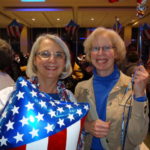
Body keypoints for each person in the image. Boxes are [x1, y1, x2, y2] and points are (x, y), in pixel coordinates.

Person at [0, 34, 89, 150]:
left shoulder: (70, 99)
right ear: (35, 60)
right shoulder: (9, 96)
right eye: (45, 54)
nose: (52, 60)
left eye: (59, 55)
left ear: (65, 62)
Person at [75, 27, 149, 150]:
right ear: (89, 53)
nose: (100, 53)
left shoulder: (134, 87)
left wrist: (140, 95)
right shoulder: (80, 89)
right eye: (95, 48)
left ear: (116, 53)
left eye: (107, 47)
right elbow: (74, 127)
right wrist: (86, 126)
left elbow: (137, 138)